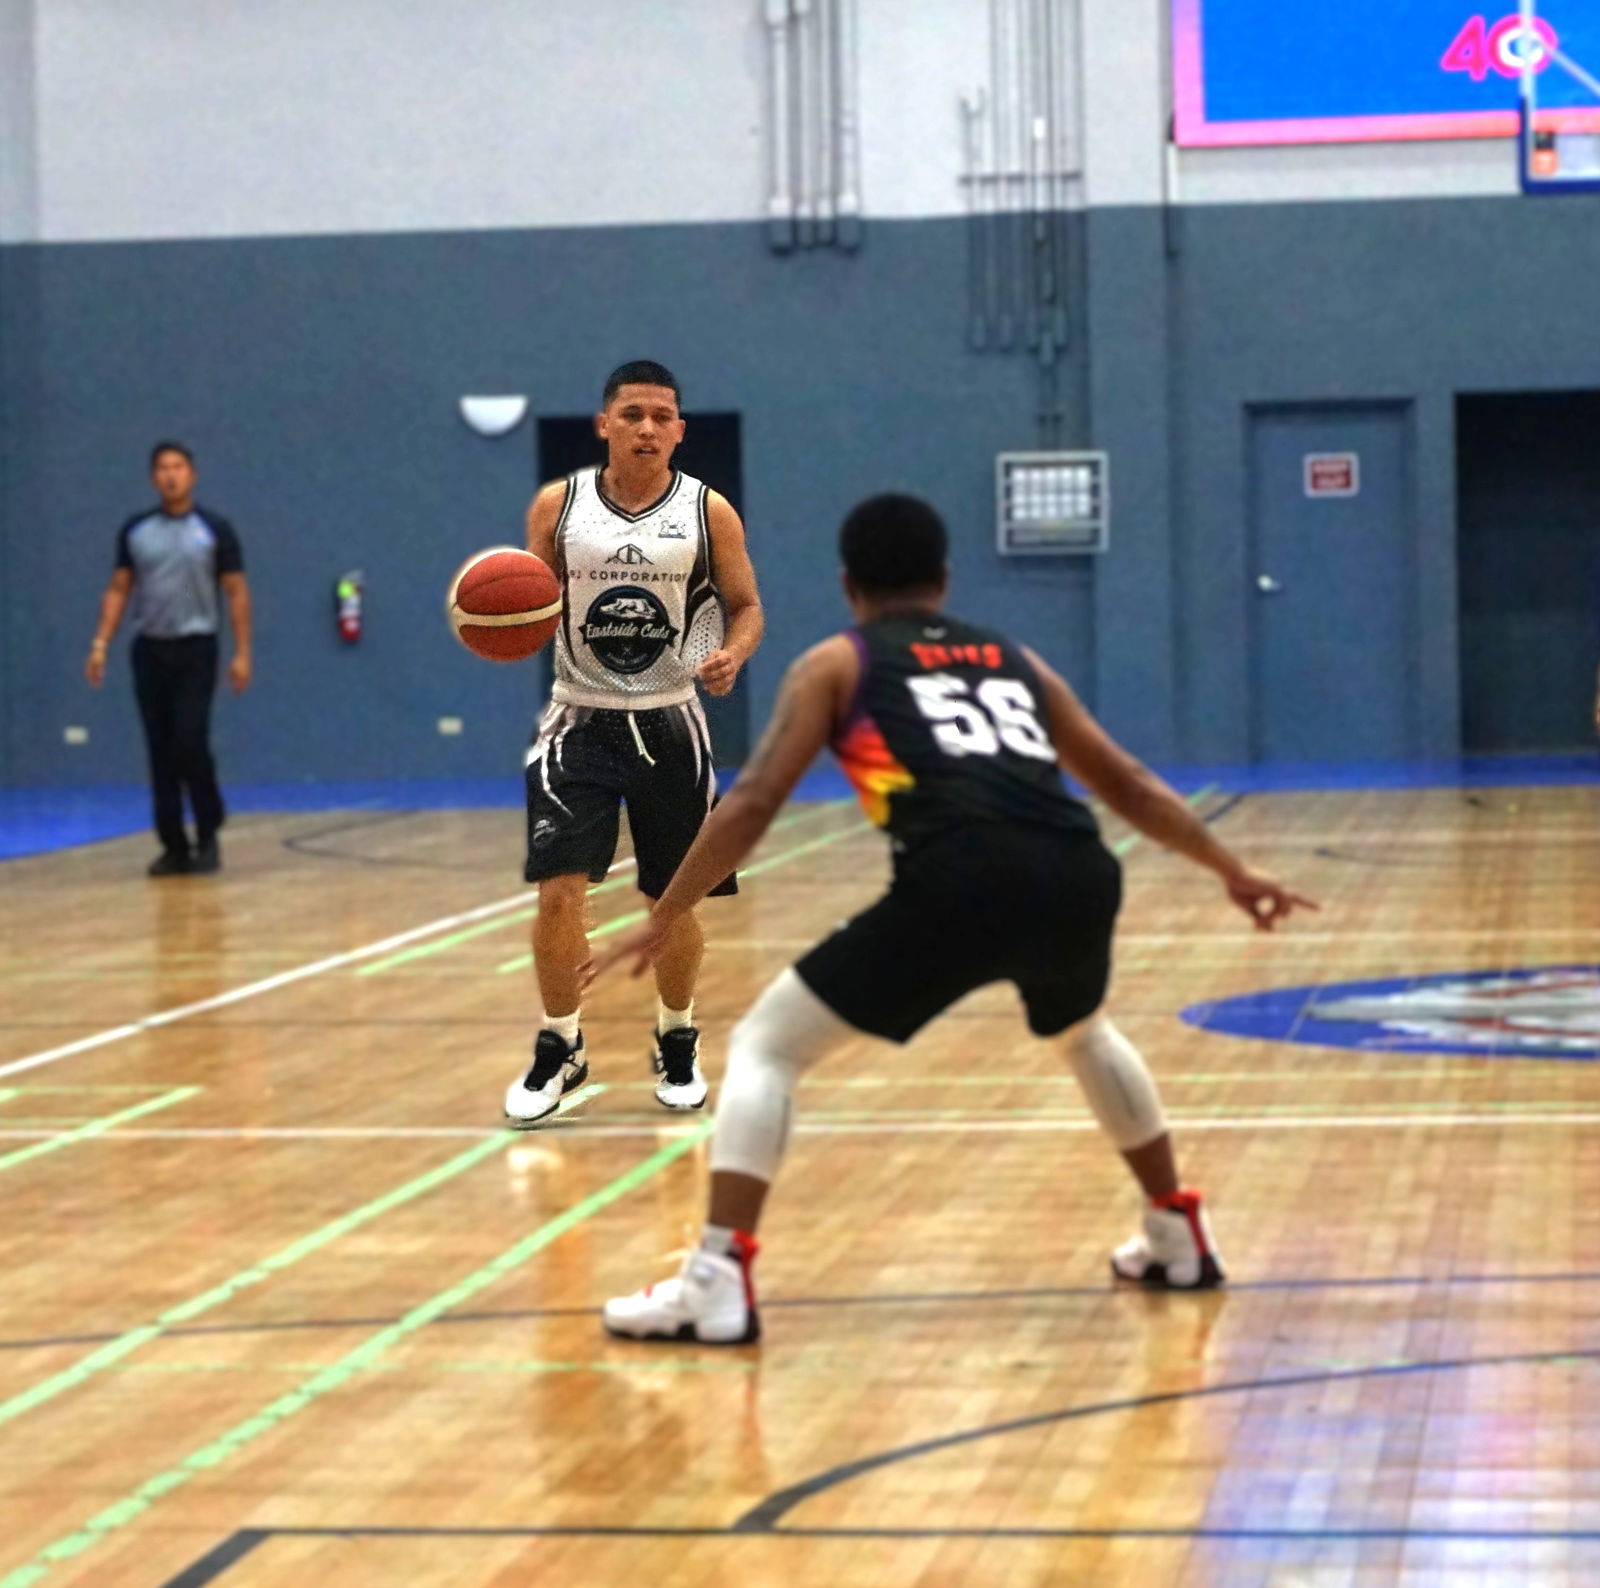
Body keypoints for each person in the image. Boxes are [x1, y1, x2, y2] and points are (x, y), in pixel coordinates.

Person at [594, 493, 1316, 1344]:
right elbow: (1123, 779)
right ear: (943, 579)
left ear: (847, 584)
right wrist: (1231, 868)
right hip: (1080, 872)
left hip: (963, 876)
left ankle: (715, 1276)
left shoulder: (837, 663)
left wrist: (667, 909)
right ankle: (1177, 1230)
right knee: (1081, 1032)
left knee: (767, 1048)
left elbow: (753, 801)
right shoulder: (1016, 661)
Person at [503, 361, 764, 1126]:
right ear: (604, 425)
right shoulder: (560, 506)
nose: (647, 427)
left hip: (670, 719)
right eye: (632, 414)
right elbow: (527, 606)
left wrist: (734, 653)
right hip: (576, 720)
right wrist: (498, 626)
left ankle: (677, 1036)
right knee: (558, 893)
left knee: (670, 898)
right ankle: (562, 1047)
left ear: (680, 429)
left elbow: (747, 607)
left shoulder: (709, 513)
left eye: (662, 415)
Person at [84, 441, 252, 876]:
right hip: (151, 650)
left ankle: (208, 832)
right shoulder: (137, 531)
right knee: (160, 749)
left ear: (191, 475)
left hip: (196, 646)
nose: (171, 475)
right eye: (162, 468)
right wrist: (101, 642)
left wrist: (242, 653)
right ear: (153, 478)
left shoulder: (214, 529)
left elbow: (235, 592)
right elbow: (119, 588)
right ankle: (173, 844)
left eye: (178, 467)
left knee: (190, 740)